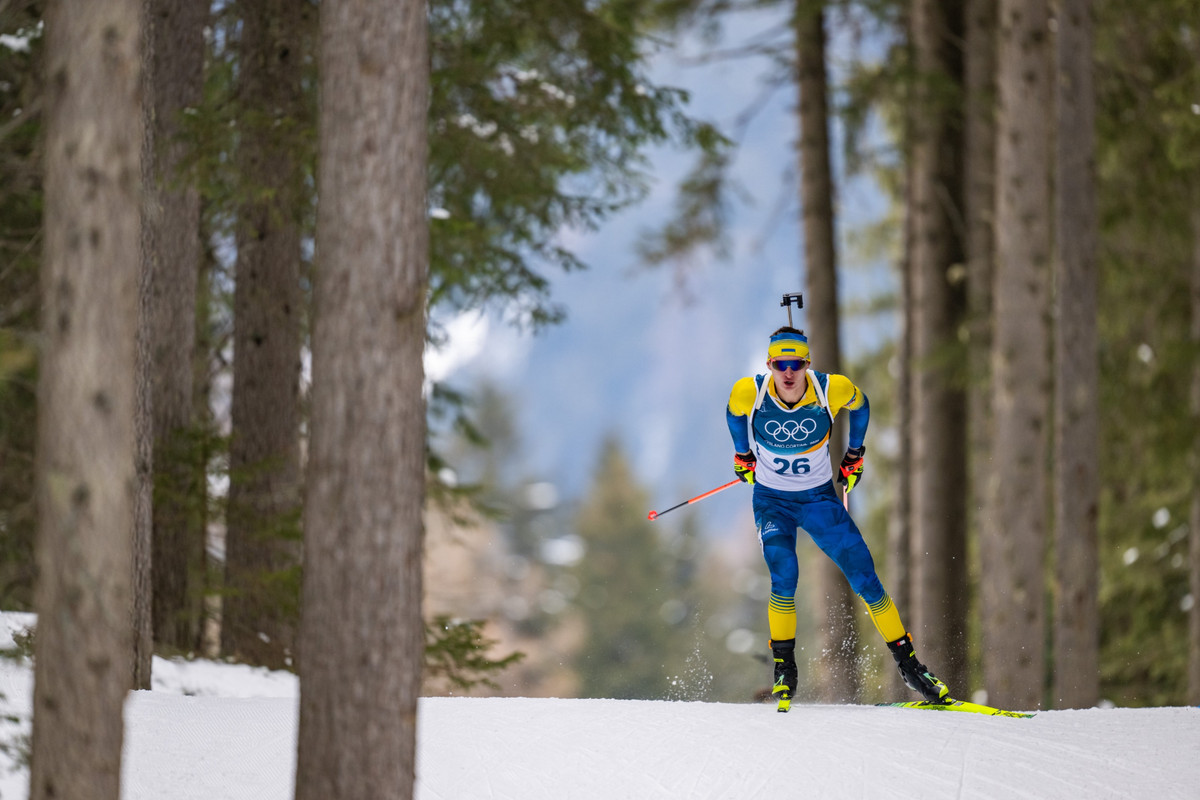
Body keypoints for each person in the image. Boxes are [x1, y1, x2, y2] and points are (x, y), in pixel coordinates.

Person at [726, 326, 949, 710]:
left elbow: (861, 406)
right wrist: (742, 454)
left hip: (819, 501)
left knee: (865, 576)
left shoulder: (832, 389)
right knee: (784, 573)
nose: (789, 373)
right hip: (772, 501)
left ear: (807, 364)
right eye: (781, 364)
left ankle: (911, 666)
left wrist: (855, 454)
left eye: (796, 364)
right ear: (770, 365)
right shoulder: (751, 391)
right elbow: (733, 415)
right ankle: (784, 669)